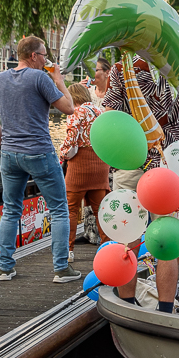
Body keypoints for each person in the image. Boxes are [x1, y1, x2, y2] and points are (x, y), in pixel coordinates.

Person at [102, 53, 179, 312]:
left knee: (127, 236)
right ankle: (165, 308)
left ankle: (127, 303)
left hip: (131, 161)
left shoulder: (122, 68)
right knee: (166, 238)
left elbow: (109, 118)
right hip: (168, 166)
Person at [0, 36, 79, 284]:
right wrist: (58, 78)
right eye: (44, 55)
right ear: (34, 56)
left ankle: (5, 268)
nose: (47, 60)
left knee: (10, 209)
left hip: (10, 155)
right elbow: (69, 108)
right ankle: (61, 268)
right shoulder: (40, 78)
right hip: (39, 151)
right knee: (59, 209)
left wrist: (4, 144)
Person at [59, 83, 108, 257]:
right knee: (100, 210)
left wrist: (61, 156)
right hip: (100, 165)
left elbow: (71, 143)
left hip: (80, 167)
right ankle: (106, 248)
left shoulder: (75, 112)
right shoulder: (100, 111)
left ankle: (68, 250)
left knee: (71, 209)